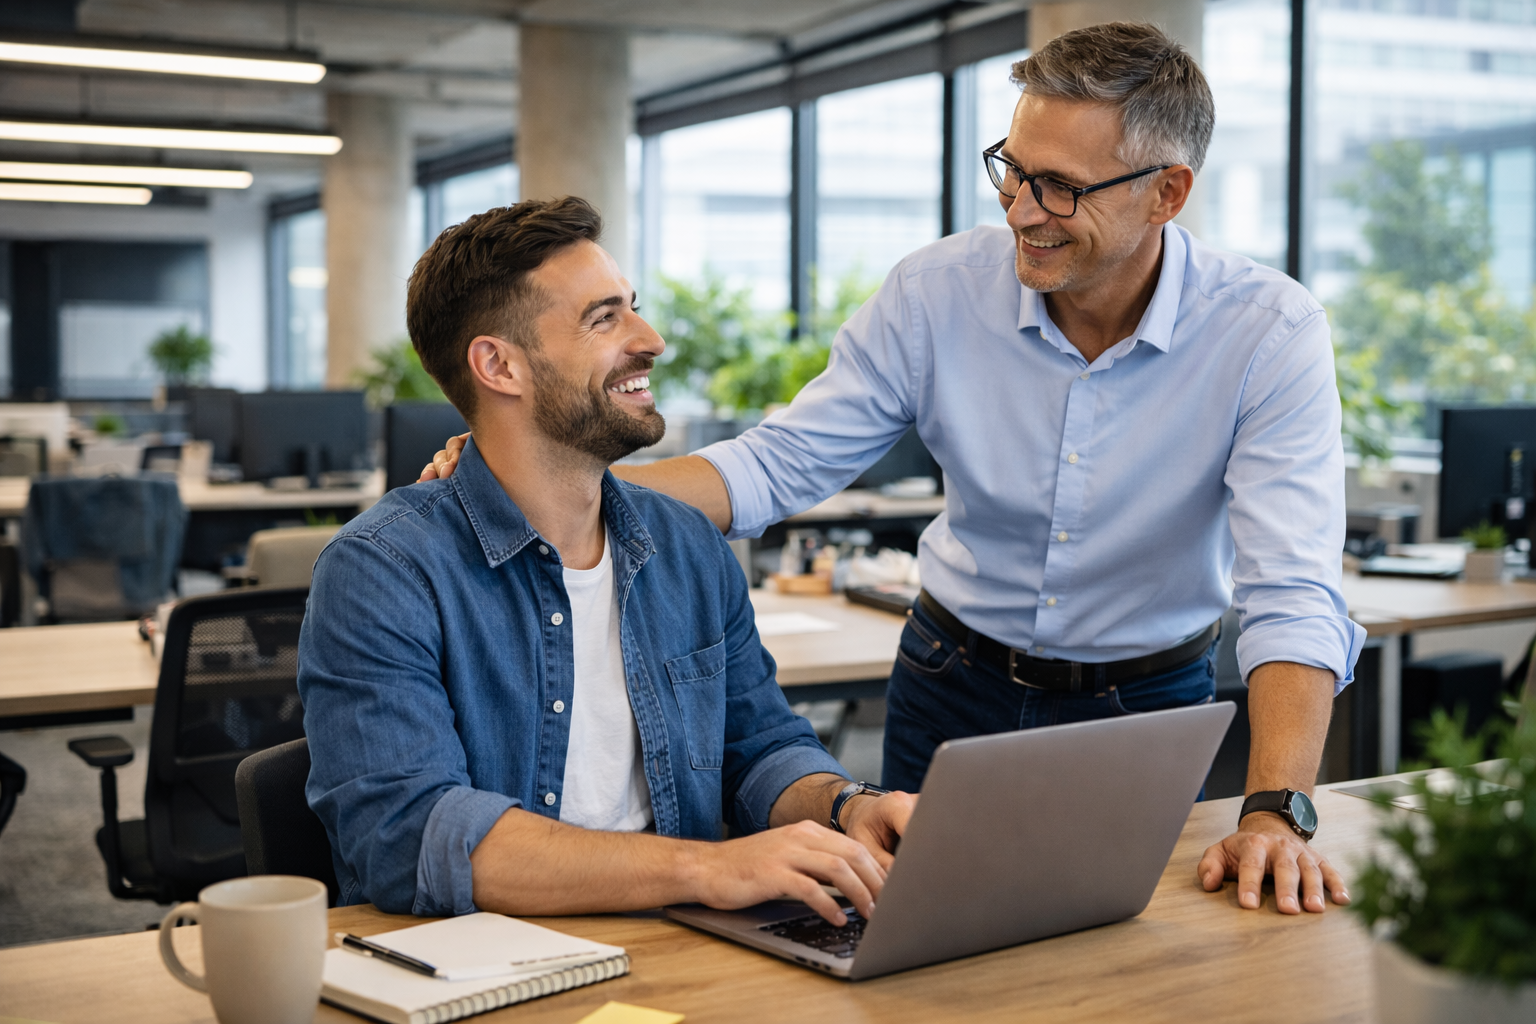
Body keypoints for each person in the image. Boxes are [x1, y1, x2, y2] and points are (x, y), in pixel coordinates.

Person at [424, 24, 1360, 917]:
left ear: (1167, 193)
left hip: (1142, 703)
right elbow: (779, 464)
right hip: (954, 680)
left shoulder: (1265, 333)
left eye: (1061, 188)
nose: (1021, 211)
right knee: (910, 946)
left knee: (1110, 961)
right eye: (1013, 170)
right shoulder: (938, 292)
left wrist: (1276, 810)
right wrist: (538, 482)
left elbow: (1291, 591)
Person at [299, 196, 914, 925]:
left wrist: (846, 806)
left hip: (685, 944)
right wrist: (707, 868)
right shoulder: (382, 572)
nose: (651, 340)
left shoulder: (686, 546)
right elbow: (410, 833)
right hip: (491, 958)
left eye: (634, 308)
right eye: (604, 318)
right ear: (499, 365)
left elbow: (759, 748)